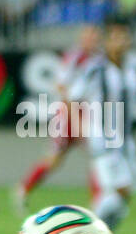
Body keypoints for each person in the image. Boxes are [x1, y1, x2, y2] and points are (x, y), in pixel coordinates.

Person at [66, 16, 136, 231]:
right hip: (104, 143)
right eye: (115, 38)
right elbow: (71, 99)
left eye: (124, 37)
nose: (120, 42)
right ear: (106, 41)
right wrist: (79, 130)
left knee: (123, 200)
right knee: (120, 190)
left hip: (127, 143)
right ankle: (79, 229)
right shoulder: (94, 69)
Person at [13, 23, 102, 216]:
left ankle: (98, 204)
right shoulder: (74, 58)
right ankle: (23, 189)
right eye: (88, 36)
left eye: (94, 36)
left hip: (89, 112)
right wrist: (72, 115)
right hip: (69, 113)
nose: (91, 40)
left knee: (97, 156)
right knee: (54, 160)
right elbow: (61, 86)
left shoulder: (99, 60)